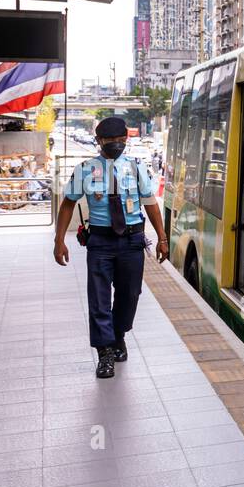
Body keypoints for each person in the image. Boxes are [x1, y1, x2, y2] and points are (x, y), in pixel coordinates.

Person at [53, 116, 170, 379]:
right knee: (99, 299)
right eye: (111, 141)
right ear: (99, 142)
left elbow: (151, 203)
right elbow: (68, 204)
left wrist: (162, 238)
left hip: (132, 241)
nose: (117, 145)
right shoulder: (85, 169)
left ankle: (118, 335)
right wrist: (59, 240)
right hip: (101, 243)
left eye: (121, 140)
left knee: (131, 294)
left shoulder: (136, 167)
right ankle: (105, 352)